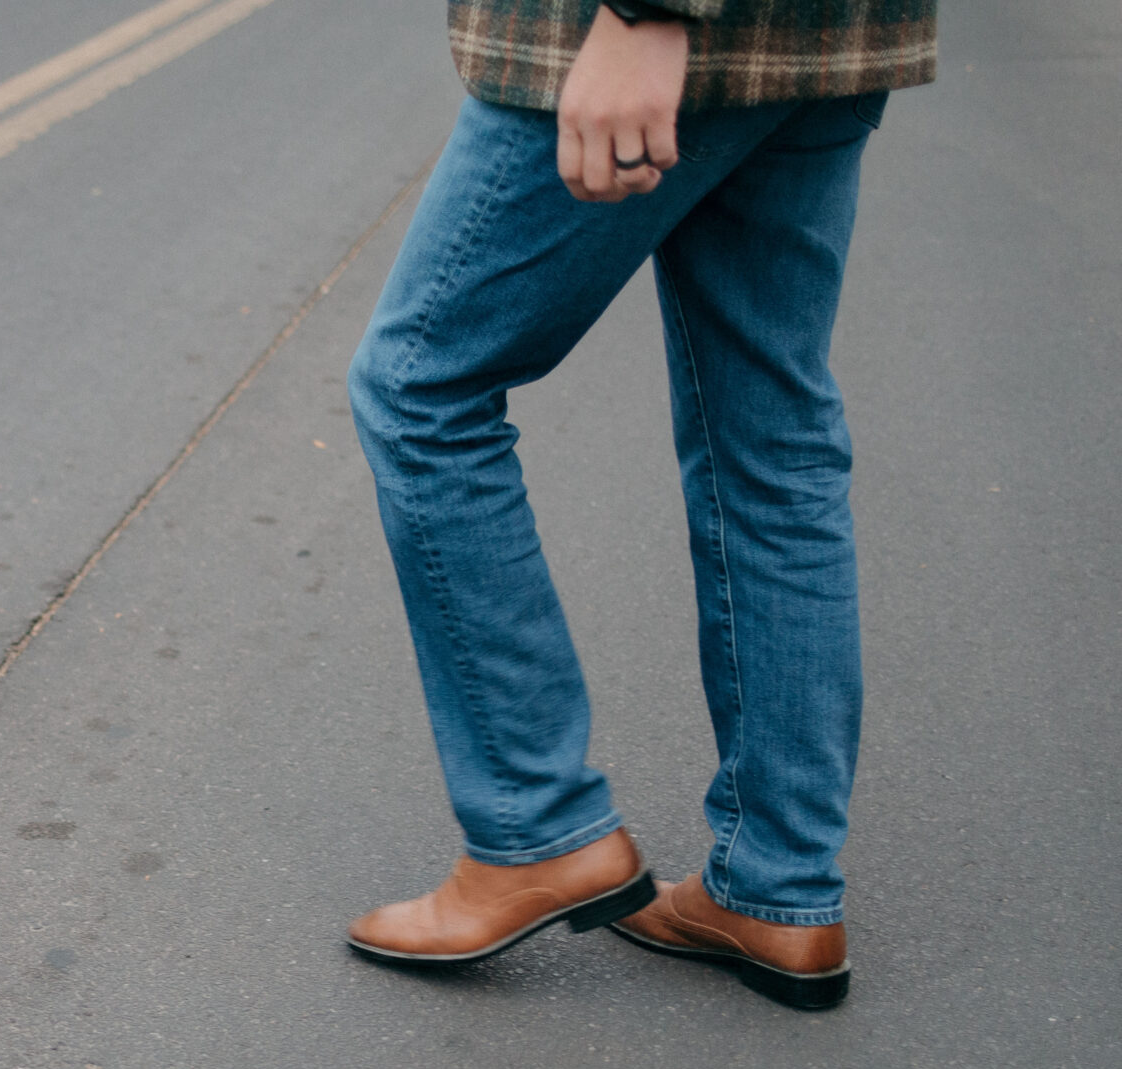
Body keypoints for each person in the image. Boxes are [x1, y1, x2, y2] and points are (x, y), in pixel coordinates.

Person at [342, 0, 936, 1008]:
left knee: (418, 384)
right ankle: (778, 888)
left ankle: (533, 826)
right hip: (824, 34)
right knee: (771, 437)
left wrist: (647, 15)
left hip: (645, 39)